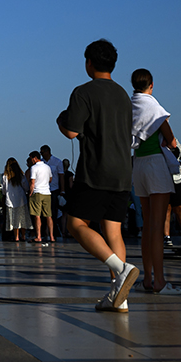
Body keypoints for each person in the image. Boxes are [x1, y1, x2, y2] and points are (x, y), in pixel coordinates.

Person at [57, 38, 140, 313]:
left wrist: (61, 120)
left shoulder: (83, 92)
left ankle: (121, 268)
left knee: (76, 223)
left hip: (96, 170)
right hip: (122, 170)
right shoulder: (123, 95)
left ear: (89, 62)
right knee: (112, 228)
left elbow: (71, 130)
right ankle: (120, 296)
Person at [129, 68, 181, 296]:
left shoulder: (130, 105)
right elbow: (170, 138)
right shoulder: (153, 106)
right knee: (157, 226)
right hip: (155, 165)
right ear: (151, 85)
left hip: (138, 165)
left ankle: (149, 278)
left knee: (146, 224)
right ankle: (160, 280)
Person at [27, 151, 53, 245]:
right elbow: (50, 179)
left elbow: (32, 182)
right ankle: (52, 236)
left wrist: (30, 192)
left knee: (37, 215)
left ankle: (38, 236)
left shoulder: (34, 168)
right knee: (48, 215)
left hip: (37, 192)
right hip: (47, 192)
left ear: (34, 158)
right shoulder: (47, 167)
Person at [41, 145, 66, 239]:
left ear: (47, 152)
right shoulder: (42, 162)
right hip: (44, 189)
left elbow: (61, 176)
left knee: (53, 212)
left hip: (54, 189)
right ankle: (46, 232)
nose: (42, 155)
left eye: (42, 152)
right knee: (44, 212)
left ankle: (54, 231)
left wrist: (62, 190)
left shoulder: (57, 162)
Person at [1, 158, 27, 242]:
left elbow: (4, 190)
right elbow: (26, 187)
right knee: (22, 219)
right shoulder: (21, 176)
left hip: (10, 201)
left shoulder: (5, 176)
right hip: (21, 200)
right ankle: (23, 236)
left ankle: (16, 237)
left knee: (14, 220)